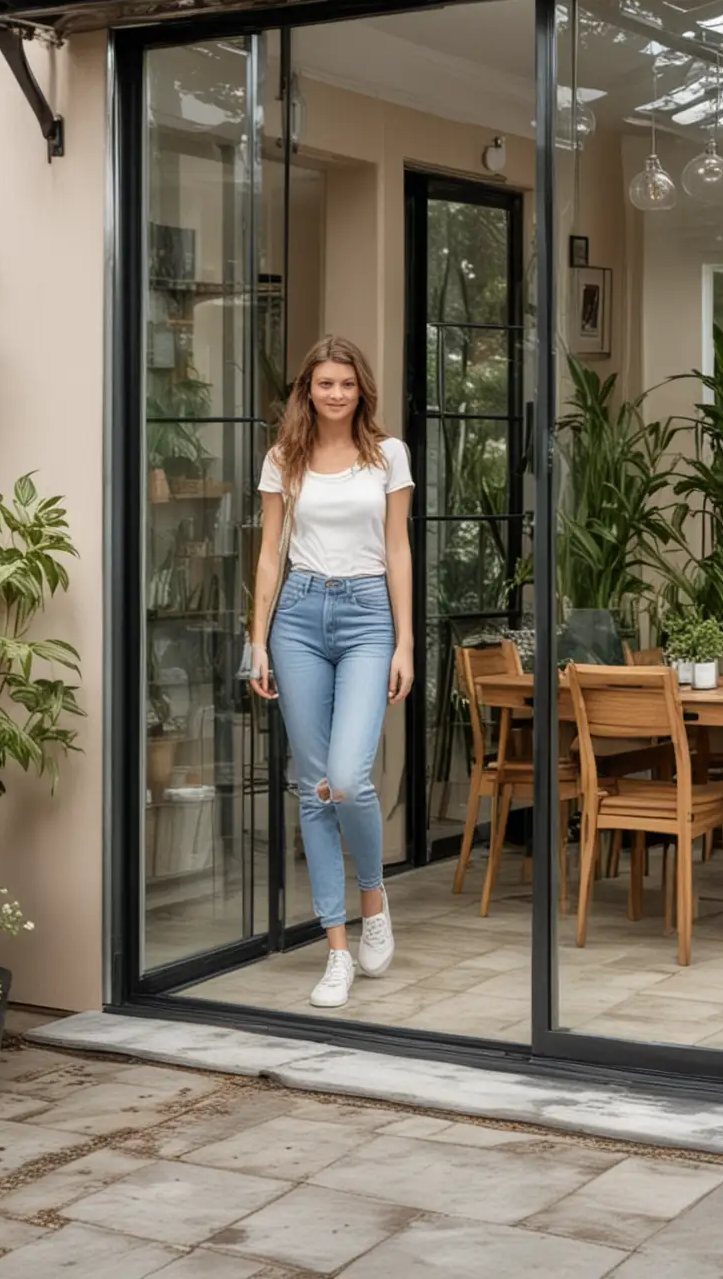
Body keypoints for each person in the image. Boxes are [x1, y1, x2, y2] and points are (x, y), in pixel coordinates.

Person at [249, 336, 414, 1008]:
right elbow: (268, 556)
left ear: (361, 390)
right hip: (297, 615)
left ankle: (374, 900)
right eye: (325, 384)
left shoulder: (388, 455)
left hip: (368, 613)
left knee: (347, 780)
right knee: (311, 787)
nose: (336, 394)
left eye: (346, 383)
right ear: (307, 390)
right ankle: (336, 947)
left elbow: (399, 550)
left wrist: (405, 643)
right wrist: (256, 642)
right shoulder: (283, 460)